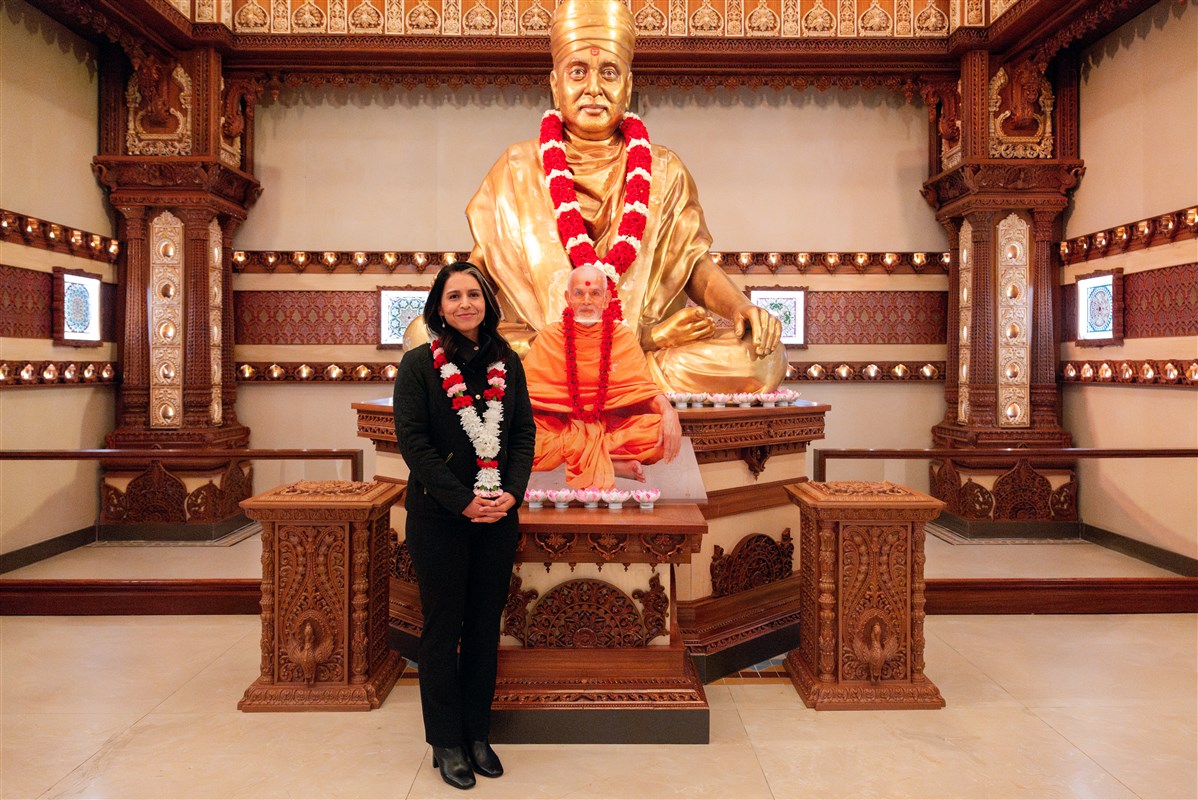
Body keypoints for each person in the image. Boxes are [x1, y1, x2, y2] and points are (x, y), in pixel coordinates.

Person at [465, 0, 787, 394]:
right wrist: (452, 315)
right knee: (424, 337)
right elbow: (480, 273)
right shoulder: (515, 167)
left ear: (629, 86)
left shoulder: (664, 169)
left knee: (764, 359)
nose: (594, 89)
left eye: (609, 73)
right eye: (578, 72)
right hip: (545, 345)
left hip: (630, 352)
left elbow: (693, 264)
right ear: (554, 84)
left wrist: (740, 308)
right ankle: (608, 367)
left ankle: (604, 368)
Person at [392, 262, 535, 791]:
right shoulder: (417, 366)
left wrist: (511, 493)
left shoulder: (508, 363)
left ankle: (478, 734)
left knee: (482, 629)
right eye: (453, 296)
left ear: (487, 303)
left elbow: (522, 434)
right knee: (442, 628)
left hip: (498, 518)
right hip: (439, 517)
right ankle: (446, 741)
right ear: (439, 306)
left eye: (473, 295)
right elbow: (415, 445)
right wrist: (462, 502)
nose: (465, 304)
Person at [524, 264, 682, 489]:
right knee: (520, 435)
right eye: (579, 293)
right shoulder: (551, 336)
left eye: (595, 293)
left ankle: (581, 456)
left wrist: (668, 411)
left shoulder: (622, 337)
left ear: (607, 299)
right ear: (568, 298)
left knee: (658, 433)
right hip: (561, 427)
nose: (587, 300)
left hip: (611, 427)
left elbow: (644, 390)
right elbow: (526, 396)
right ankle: (614, 464)